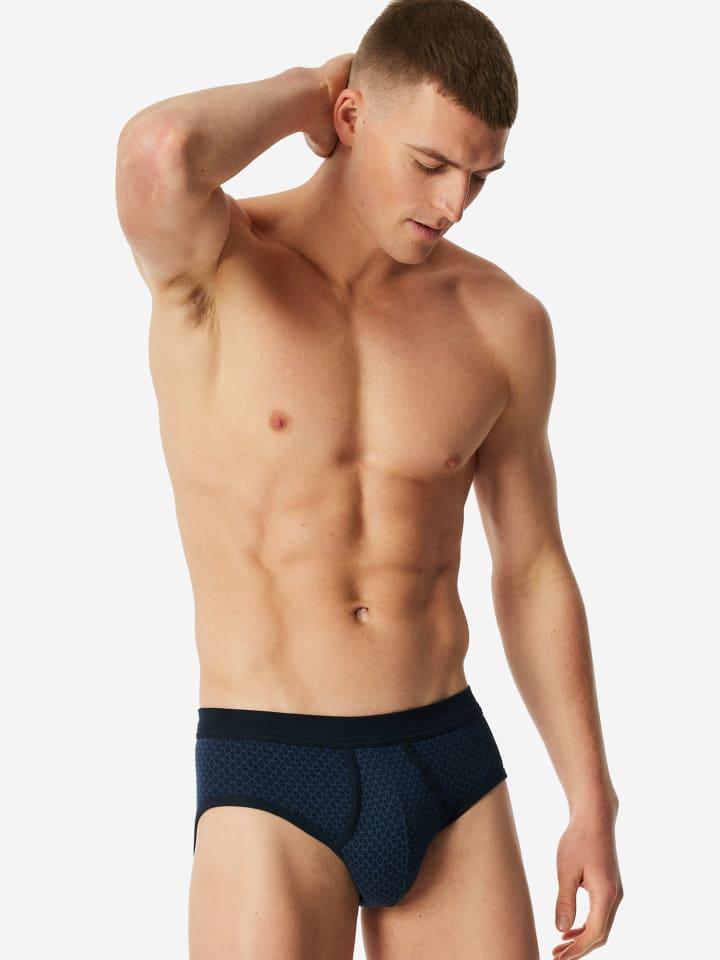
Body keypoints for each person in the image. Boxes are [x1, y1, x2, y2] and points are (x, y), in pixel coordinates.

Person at [115, 1, 622, 957]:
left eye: (479, 176)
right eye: (430, 164)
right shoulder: (219, 266)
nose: (454, 204)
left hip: (448, 764)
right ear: (350, 118)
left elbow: (532, 568)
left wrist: (591, 798)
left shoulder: (502, 322)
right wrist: (307, 90)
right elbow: (159, 151)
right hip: (273, 768)